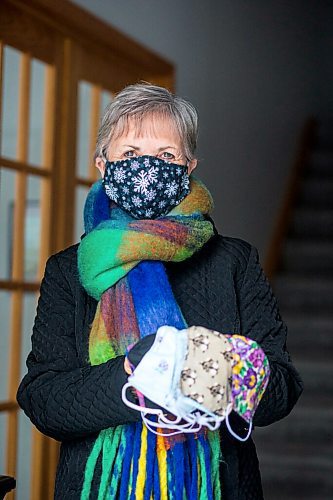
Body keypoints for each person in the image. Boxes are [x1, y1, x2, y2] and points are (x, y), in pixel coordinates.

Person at [17, 83, 303, 499]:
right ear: (102, 164)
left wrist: (215, 370)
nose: (147, 168)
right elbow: (43, 399)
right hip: (98, 487)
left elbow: (282, 390)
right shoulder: (66, 270)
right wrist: (134, 375)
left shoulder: (234, 262)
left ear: (188, 167)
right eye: (130, 154)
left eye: (166, 155)